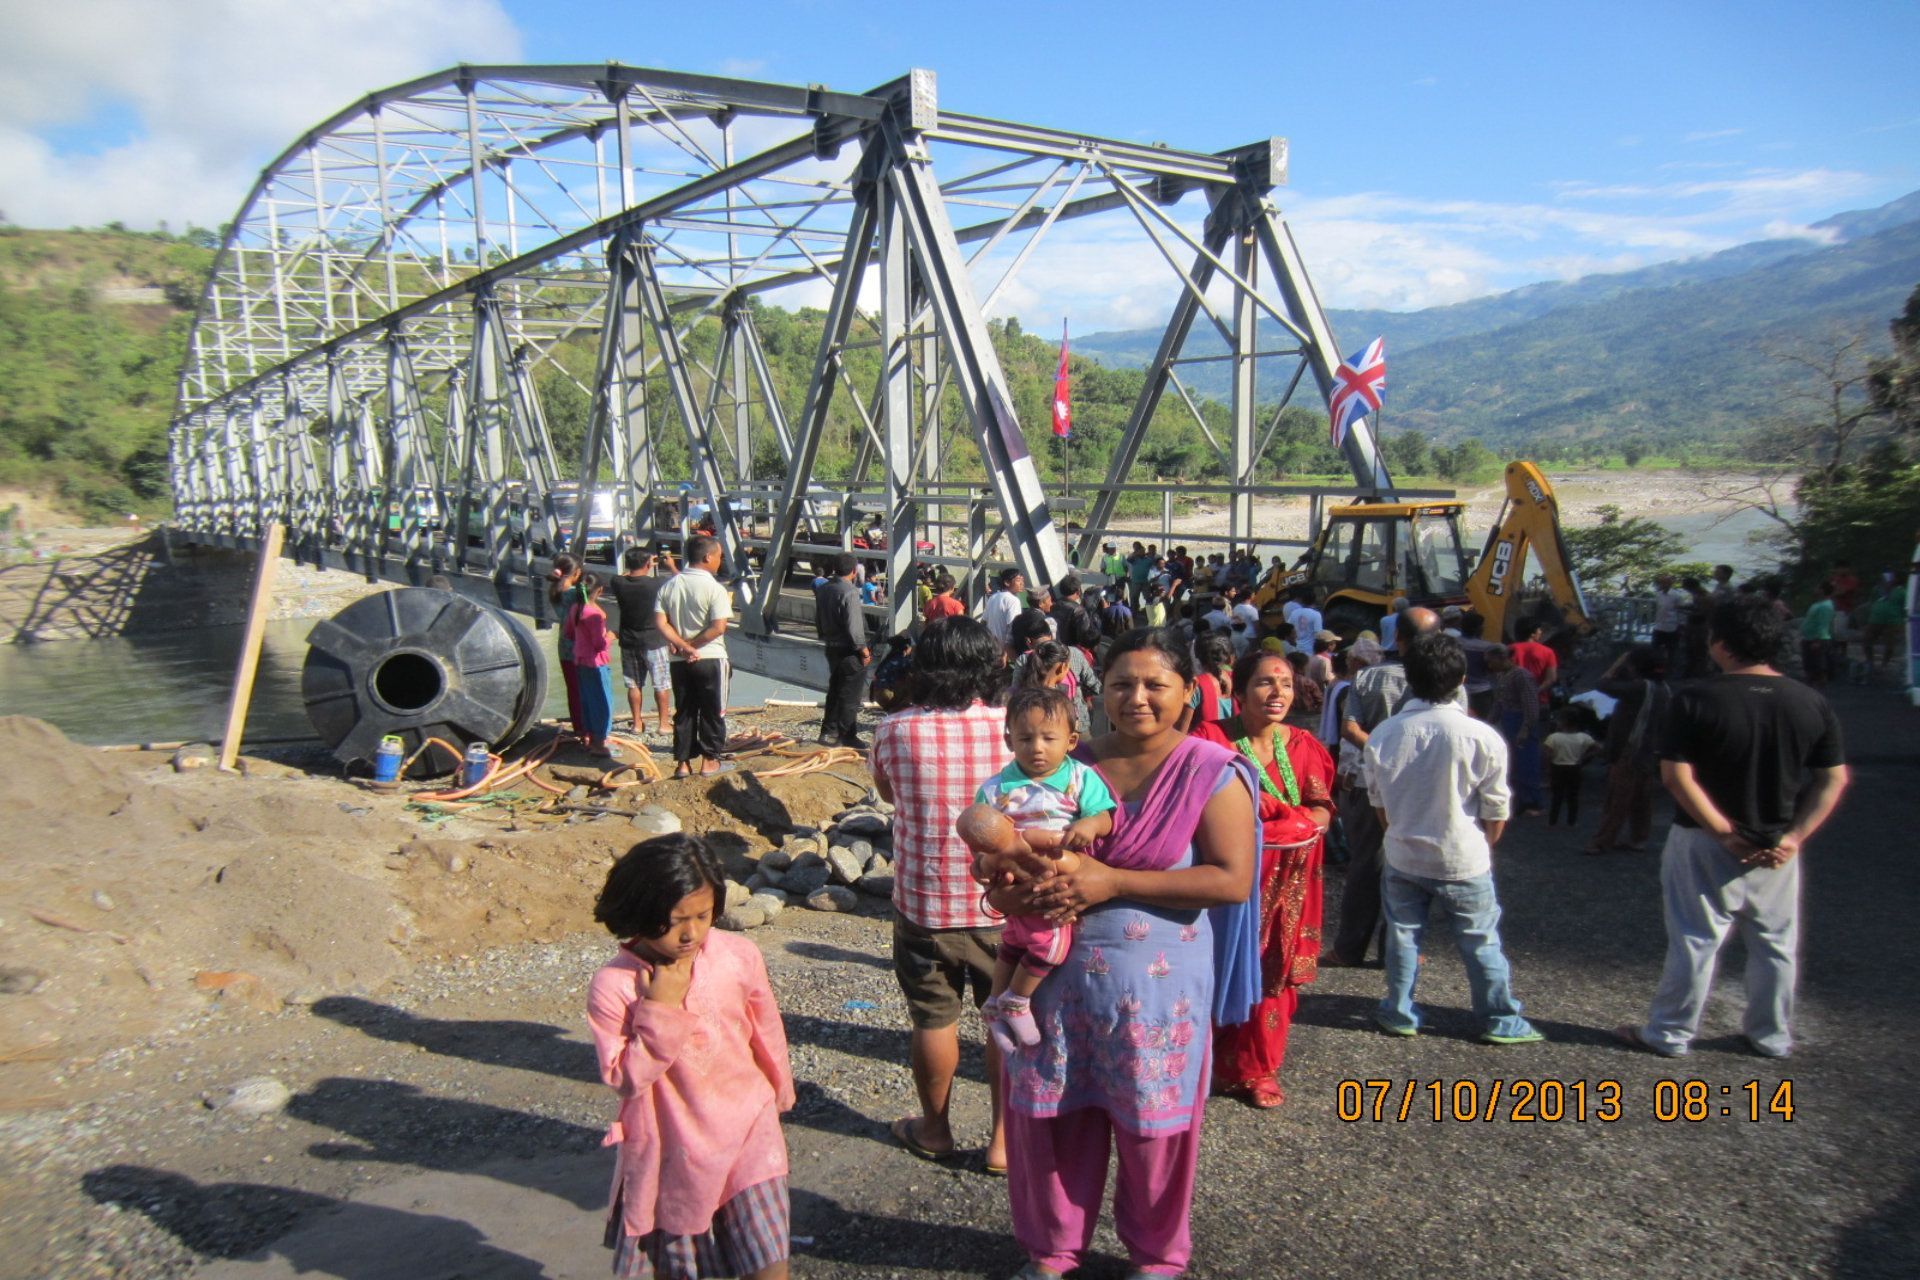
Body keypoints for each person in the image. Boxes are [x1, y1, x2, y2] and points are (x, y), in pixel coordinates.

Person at [990, 627, 1258, 1280]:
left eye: (1154, 685)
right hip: (1057, 984)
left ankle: (1158, 1257)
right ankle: (1053, 1252)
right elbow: (1008, 845)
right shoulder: (1062, 763)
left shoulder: (1208, 771)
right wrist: (1005, 877)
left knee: (1154, 1131)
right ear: (1099, 692)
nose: (1137, 697)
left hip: (1158, 992)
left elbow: (1231, 878)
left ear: (1188, 693)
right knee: (1053, 1122)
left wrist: (1113, 882)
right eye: (1121, 684)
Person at [1617, 596, 1849, 1060]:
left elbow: (1676, 774)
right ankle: (1770, 1035)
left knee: (1696, 939)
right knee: (1776, 944)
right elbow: (1832, 777)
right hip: (1778, 844)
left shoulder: (1697, 698)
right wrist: (1794, 836)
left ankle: (1670, 1032)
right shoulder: (1809, 701)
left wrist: (1723, 829)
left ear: (1720, 644)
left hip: (1705, 838)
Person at [587, 834, 795, 1280]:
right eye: (675, 921)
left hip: (750, 1132)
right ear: (639, 912)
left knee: (769, 1260)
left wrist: (780, 1091)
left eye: (702, 916)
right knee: (683, 1263)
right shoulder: (616, 985)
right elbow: (625, 1079)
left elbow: (765, 1027)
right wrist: (660, 1009)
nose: (691, 933)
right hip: (675, 1150)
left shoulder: (737, 955)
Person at [869, 617, 1011, 1173]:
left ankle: (935, 1130)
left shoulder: (896, 729)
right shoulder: (1013, 726)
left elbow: (889, 793)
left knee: (933, 1018)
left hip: (926, 904)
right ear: (991, 665)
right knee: (1005, 1019)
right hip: (1003, 901)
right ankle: (1003, 1144)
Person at [1365, 632, 1542, 1045]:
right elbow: (1495, 810)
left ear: (1409, 677)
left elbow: (1380, 805)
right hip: (1463, 855)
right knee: (1480, 940)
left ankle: (1400, 1010)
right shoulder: (1483, 736)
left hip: (1404, 853)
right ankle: (1500, 1019)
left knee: (1403, 935)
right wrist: (1484, 845)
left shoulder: (1385, 734)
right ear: (1461, 677)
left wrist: (1399, 834)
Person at [1193, 648, 1335, 1108]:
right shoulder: (1210, 739)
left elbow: (1321, 808)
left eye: (1287, 683)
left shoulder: (1302, 745)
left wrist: (1302, 824)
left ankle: (1258, 1069)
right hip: (1228, 881)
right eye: (1265, 682)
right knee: (1216, 967)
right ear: (1239, 687)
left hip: (1289, 884)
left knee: (1273, 977)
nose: (1277, 693)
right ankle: (1201, 1065)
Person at [972, 685, 1118, 1052]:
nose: (1036, 747)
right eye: (1025, 737)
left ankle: (996, 1003)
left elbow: (1105, 816)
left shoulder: (1078, 778)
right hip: (1016, 877)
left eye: (1048, 738)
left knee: (1018, 944)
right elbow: (980, 839)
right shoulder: (995, 790)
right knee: (1046, 945)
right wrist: (983, 866)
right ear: (1009, 740)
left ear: (1070, 740)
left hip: (1056, 874)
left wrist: (1090, 825)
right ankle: (1014, 1000)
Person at [1327, 607, 1444, 967]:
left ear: (1399, 639)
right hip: (1421, 789)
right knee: (1411, 867)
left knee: (1365, 866)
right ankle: (1399, 948)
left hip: (1367, 781)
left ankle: (1348, 949)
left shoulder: (1368, 678)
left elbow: (1349, 729)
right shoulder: (1449, 682)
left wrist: (1382, 753)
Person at [655, 534, 732, 779]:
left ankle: (682, 763)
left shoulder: (669, 585)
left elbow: (661, 622)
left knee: (685, 710)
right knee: (713, 709)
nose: (720, 562)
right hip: (710, 657)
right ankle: (710, 761)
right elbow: (718, 627)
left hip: (679, 660)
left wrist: (681, 645)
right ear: (707, 556)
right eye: (719, 557)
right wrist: (693, 645)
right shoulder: (714, 588)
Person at [1585, 646, 1670, 855]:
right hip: (1649, 751)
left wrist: (1618, 663)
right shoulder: (1664, 688)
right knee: (1642, 799)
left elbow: (1602, 684)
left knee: (1617, 799)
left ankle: (1602, 841)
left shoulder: (1639, 688)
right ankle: (1638, 839)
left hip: (1630, 751)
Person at [610, 547, 673, 736]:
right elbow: (680, 580)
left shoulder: (618, 582)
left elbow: (622, 575)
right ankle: (663, 724)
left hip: (629, 641)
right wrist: (670, 566)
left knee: (634, 684)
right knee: (661, 684)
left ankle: (637, 724)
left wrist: (641, 564)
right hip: (654, 640)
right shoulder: (657, 584)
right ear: (648, 564)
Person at [816, 552, 871, 749]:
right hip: (849, 650)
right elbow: (854, 626)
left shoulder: (824, 589)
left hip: (831, 647)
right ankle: (847, 736)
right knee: (850, 694)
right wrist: (863, 650)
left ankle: (827, 731)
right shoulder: (850, 592)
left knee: (835, 689)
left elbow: (818, 618)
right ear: (854, 571)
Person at [1487, 644, 1544, 816]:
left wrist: (1526, 728)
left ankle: (1534, 802)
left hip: (1520, 720)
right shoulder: (1501, 676)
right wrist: (1488, 723)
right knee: (1512, 764)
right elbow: (1499, 702)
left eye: (1491, 661)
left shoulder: (1522, 676)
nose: (1489, 666)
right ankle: (1519, 800)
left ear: (1501, 658)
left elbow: (1531, 705)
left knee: (1527, 763)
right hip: (1507, 720)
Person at [569, 574, 618, 757]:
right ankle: (600, 742)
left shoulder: (576, 608)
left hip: (580, 659)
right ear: (599, 591)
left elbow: (569, 632)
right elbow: (599, 644)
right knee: (603, 702)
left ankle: (588, 738)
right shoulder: (594, 615)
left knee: (587, 700)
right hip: (596, 663)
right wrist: (611, 636)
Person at [549, 553, 587, 737]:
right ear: (577, 572)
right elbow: (587, 603)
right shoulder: (575, 594)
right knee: (586, 688)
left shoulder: (554, 591)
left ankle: (578, 726)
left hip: (564, 646)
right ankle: (587, 726)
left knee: (572, 689)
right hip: (580, 647)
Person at [1541, 708, 1600, 828]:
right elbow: (1597, 748)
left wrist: (1547, 768)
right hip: (1575, 768)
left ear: (1564, 722)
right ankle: (1571, 822)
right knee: (1573, 796)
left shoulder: (1554, 737)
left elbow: (1547, 754)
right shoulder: (1583, 737)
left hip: (1558, 767)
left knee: (1557, 796)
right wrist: (1584, 757)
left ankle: (1552, 822)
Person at [1182, 632, 1236, 733]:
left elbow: (1181, 732)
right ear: (1230, 659)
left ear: (1197, 657)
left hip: (1205, 745)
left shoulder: (1195, 686)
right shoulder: (1243, 681)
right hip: (1239, 747)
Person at [1507, 619, 1558, 709]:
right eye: (1539, 629)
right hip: (1538, 701)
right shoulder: (1548, 652)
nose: (1541, 632)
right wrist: (1535, 691)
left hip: (1513, 701)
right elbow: (1551, 679)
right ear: (1532, 634)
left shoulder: (1508, 650)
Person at [1867, 570, 1907, 670]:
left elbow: (1905, 607)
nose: (1885, 581)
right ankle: (1870, 662)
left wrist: (1902, 622)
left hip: (1893, 621)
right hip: (1875, 620)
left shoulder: (1901, 592)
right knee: (1867, 640)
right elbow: (1871, 602)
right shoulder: (1877, 590)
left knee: (1890, 644)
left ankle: (1884, 665)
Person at [1798, 580, 1834, 688]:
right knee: (1808, 664)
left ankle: (1820, 684)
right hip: (1808, 637)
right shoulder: (1817, 604)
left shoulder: (1826, 606)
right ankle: (1809, 683)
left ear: (1823, 590)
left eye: (1818, 588)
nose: (1815, 590)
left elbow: (1823, 624)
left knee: (1818, 664)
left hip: (1817, 639)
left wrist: (1817, 640)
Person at [1649, 573, 1685, 672]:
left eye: (1665, 582)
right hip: (1658, 626)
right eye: (1661, 582)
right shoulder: (1658, 594)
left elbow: (1681, 611)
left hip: (1671, 627)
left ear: (1670, 583)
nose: (1662, 584)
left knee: (1671, 650)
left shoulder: (1676, 595)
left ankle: (1670, 669)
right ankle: (1655, 668)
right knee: (1655, 648)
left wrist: (1680, 625)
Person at [985, 568, 1026, 650]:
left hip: (991, 646)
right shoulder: (1013, 600)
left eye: (1022, 580)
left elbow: (984, 621)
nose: (1022, 583)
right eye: (1018, 580)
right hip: (1005, 649)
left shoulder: (993, 597)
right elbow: (1012, 626)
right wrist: (1007, 652)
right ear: (1007, 583)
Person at [1125, 542, 1155, 610]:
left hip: (1145, 582)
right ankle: (1134, 611)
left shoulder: (1148, 560)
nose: (1142, 552)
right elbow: (1128, 561)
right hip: (1135, 581)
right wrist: (1136, 554)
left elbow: (1154, 567)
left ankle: (1149, 610)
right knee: (1134, 597)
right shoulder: (1134, 559)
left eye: (1143, 551)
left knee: (1148, 597)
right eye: (1140, 551)